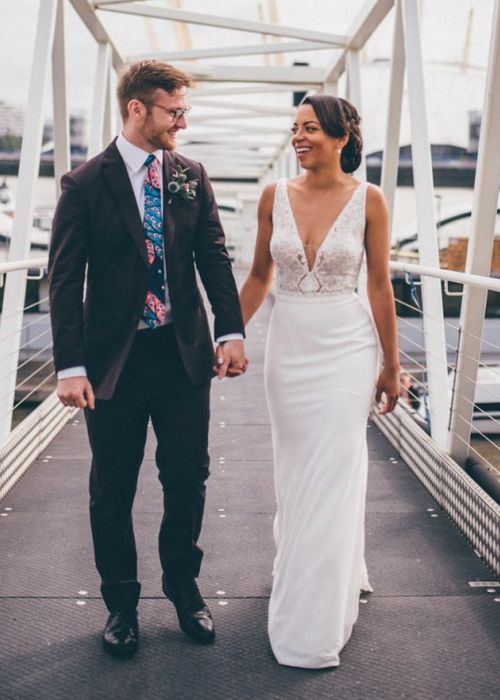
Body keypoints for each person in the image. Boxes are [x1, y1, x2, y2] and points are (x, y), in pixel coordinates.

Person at [48, 60, 246, 658]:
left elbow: (213, 256)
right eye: (174, 111)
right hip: (115, 362)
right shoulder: (84, 184)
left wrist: (230, 330)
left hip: (183, 354)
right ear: (138, 109)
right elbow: (63, 280)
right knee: (113, 488)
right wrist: (70, 366)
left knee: (187, 478)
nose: (182, 122)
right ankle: (121, 606)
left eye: (184, 111)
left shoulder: (190, 175)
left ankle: (185, 591)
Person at [238, 94, 400, 668]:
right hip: (290, 345)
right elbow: (260, 275)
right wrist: (228, 334)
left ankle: (312, 616)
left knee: (333, 470)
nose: (298, 138)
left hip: (347, 346)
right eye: (294, 129)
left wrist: (391, 364)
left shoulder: (370, 201)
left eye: (309, 129)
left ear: (340, 137)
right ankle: (319, 563)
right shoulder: (273, 196)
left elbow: (380, 287)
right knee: (295, 468)